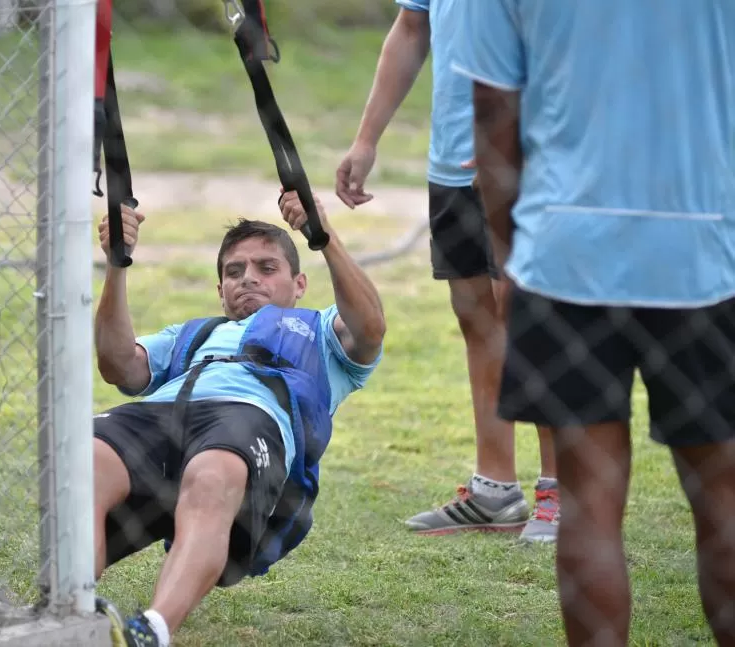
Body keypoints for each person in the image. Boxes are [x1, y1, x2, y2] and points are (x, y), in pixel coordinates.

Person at [453, 2, 735, 645]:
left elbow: (494, 113)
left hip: (565, 255)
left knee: (588, 506)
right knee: (724, 503)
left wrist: (512, 253)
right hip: (702, 253)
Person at [90, 191, 386, 647]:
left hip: (249, 421)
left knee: (214, 472)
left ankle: (152, 630)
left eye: (267, 268)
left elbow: (370, 327)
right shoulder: (194, 334)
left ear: (299, 283)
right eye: (234, 271)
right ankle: (65, 608)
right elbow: (117, 365)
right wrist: (117, 263)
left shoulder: (321, 331)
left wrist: (323, 236)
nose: (249, 278)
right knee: (86, 459)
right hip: (162, 413)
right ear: (220, 290)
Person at [335, 0, 559, 541]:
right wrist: (366, 140)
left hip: (528, 155)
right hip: (452, 161)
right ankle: (495, 490)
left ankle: (560, 491)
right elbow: (412, 27)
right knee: (476, 319)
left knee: (530, 318)